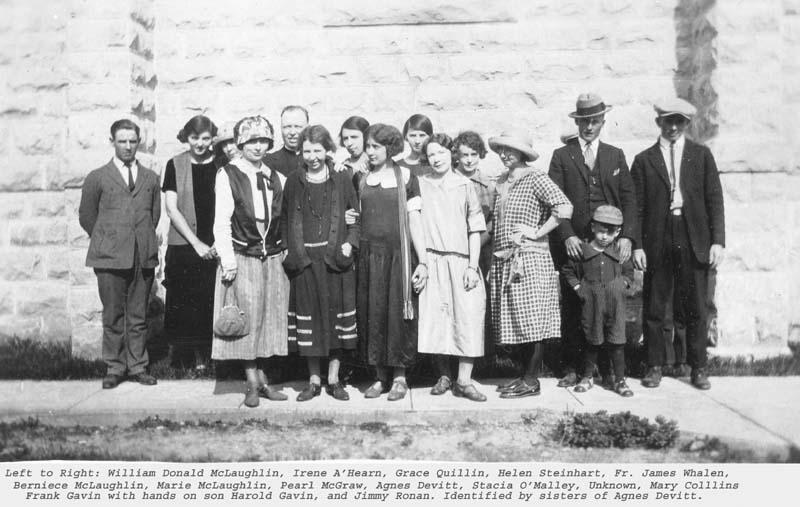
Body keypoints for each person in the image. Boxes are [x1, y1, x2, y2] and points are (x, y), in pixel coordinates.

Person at [631, 98, 725, 390]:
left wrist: (717, 241)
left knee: (696, 305)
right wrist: (637, 245)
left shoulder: (701, 155)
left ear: (687, 124)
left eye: (679, 122)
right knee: (656, 305)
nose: (673, 127)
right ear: (658, 122)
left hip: (693, 235)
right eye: (668, 121)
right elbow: (636, 207)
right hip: (658, 236)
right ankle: (654, 365)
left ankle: (698, 367)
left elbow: (714, 200)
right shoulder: (644, 160)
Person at [548, 93, 638, 388]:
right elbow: (554, 201)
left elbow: (629, 199)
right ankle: (574, 367)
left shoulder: (615, 155)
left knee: (609, 305)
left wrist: (626, 238)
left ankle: (609, 370)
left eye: (594, 121)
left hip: (608, 242)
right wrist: (567, 235)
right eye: (584, 121)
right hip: (577, 243)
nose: (589, 126)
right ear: (577, 122)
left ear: (602, 121)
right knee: (577, 303)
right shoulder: (563, 156)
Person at [489, 130, 572, 398]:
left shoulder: (536, 177)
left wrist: (537, 231)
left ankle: (532, 379)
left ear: (523, 153)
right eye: (501, 149)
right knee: (516, 319)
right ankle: (523, 375)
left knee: (533, 320)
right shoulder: (501, 180)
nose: (504, 154)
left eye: (510, 150)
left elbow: (564, 207)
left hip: (531, 258)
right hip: (506, 259)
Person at [212, 116, 289, 407]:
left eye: (263, 141)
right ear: (241, 144)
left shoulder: (275, 176)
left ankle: (265, 380)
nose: (258, 147)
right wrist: (228, 261)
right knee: (247, 320)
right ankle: (251, 383)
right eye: (252, 141)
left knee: (269, 320)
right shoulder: (228, 174)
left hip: (271, 259)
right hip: (243, 257)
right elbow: (221, 223)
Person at [78, 119, 161, 389]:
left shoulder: (150, 177)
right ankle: (114, 367)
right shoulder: (97, 177)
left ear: (139, 142)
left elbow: (154, 215)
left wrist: (139, 240)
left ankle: (138, 366)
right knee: (113, 314)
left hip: (142, 255)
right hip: (109, 256)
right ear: (112, 141)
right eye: (122, 141)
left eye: (132, 141)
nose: (127, 146)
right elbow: (87, 216)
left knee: (138, 314)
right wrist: (110, 239)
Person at [282, 125, 361, 401]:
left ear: (328, 150)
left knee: (335, 324)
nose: (313, 156)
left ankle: (334, 380)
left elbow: (356, 214)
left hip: (335, 262)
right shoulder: (293, 180)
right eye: (307, 151)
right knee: (311, 323)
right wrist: (288, 251)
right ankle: (314, 381)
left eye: (318, 150)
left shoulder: (341, 177)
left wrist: (350, 243)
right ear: (300, 153)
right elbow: (285, 218)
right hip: (305, 264)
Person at [354, 123, 428, 401]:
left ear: (390, 148)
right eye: (368, 146)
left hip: (399, 257)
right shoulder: (360, 178)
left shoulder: (407, 176)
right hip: (370, 258)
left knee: (398, 315)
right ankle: (379, 376)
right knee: (373, 314)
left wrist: (423, 261)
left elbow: (415, 221)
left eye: (376, 146)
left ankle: (399, 377)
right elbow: (357, 217)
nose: (370, 152)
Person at [418, 134, 488, 402]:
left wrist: (472, 265)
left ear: (452, 155)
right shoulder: (421, 184)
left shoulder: (465, 185)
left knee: (467, 317)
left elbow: (475, 229)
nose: (436, 159)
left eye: (441, 153)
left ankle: (464, 380)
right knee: (438, 319)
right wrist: (423, 261)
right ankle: (444, 375)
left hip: (461, 261)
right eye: (432, 154)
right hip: (432, 259)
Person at [161, 115, 219, 370]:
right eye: (195, 138)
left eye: (206, 138)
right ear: (186, 137)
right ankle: (183, 358)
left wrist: (218, 243)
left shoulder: (221, 165)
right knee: (183, 301)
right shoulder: (175, 164)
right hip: (184, 244)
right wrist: (196, 243)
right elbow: (172, 209)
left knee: (208, 300)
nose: (200, 143)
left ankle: (207, 357)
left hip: (215, 242)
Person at [562, 205, 635, 397]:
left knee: (617, 341)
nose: (604, 236)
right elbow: (568, 271)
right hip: (592, 304)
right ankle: (587, 377)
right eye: (601, 231)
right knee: (592, 340)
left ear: (618, 232)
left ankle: (619, 379)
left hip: (615, 305)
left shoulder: (620, 251)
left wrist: (622, 285)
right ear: (593, 227)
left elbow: (629, 272)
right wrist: (579, 288)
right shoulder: (583, 250)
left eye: (610, 232)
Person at [263, 105, 309, 177]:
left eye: (297, 127)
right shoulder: (267, 162)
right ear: (281, 128)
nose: (292, 132)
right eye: (287, 127)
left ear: (307, 128)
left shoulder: (320, 161)